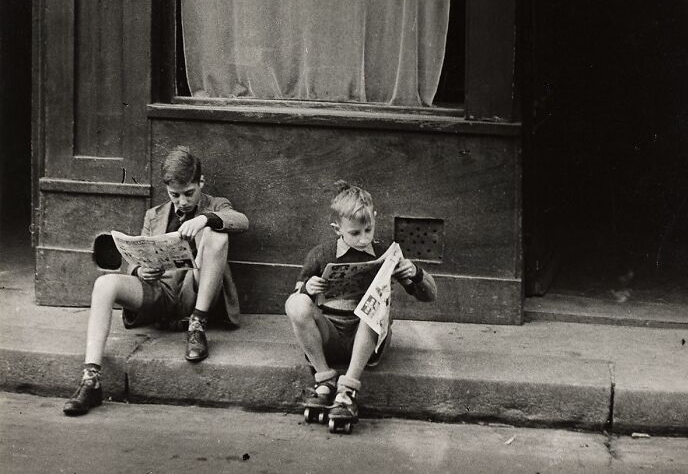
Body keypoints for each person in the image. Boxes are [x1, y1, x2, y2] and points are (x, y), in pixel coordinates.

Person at [63, 146, 249, 416]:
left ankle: (196, 327)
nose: (182, 202)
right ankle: (90, 380)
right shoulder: (154, 214)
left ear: (201, 183)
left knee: (217, 236)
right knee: (104, 285)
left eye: (189, 193)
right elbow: (137, 257)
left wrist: (205, 220)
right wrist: (140, 271)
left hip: (195, 291)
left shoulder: (215, 204)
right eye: (175, 195)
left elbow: (241, 221)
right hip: (160, 291)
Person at [284, 179, 437, 426]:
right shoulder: (321, 254)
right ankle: (324, 379)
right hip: (329, 336)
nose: (363, 239)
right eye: (354, 233)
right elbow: (294, 303)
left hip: (367, 338)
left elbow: (430, 296)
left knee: (373, 306)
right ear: (337, 229)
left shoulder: (385, 253)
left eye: (369, 230)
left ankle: (347, 390)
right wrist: (307, 288)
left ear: (374, 219)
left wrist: (416, 274)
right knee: (296, 304)